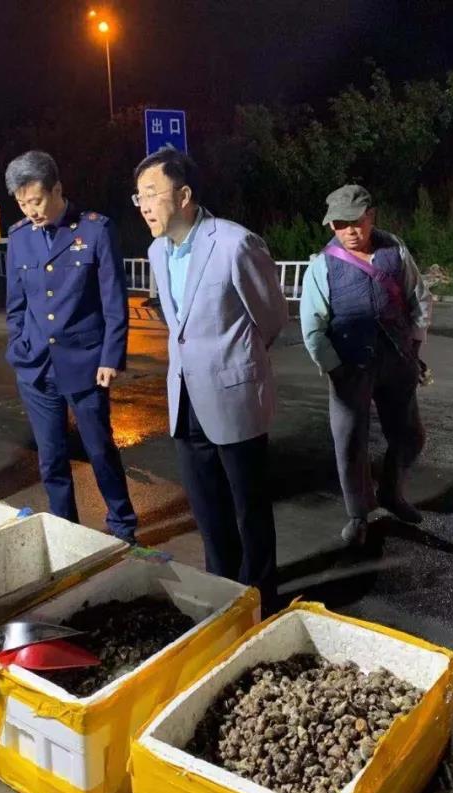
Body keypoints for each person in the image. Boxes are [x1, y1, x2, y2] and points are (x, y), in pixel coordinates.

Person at [135, 147, 288, 609]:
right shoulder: (157, 250)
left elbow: (272, 316)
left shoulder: (235, 243)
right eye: (138, 197)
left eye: (152, 194)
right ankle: (224, 595)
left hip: (234, 394)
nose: (144, 206)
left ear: (183, 196)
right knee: (207, 509)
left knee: (249, 508)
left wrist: (236, 363)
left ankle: (261, 599)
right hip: (185, 397)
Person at [3, 151, 138, 542]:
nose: (31, 211)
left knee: (100, 450)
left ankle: (122, 525)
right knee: (51, 458)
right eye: (22, 204)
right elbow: (15, 304)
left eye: (36, 201)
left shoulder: (95, 230)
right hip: (36, 366)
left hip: (86, 363)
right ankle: (67, 531)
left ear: (57, 189)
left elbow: (113, 300)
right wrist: (19, 347)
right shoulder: (19, 237)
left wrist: (111, 357)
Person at [299, 184, 432, 545]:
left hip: (397, 359)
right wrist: (333, 366)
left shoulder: (394, 249)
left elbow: (418, 297)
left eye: (356, 221)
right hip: (349, 364)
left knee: (410, 435)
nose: (350, 231)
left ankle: (391, 491)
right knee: (350, 441)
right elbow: (312, 325)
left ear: (371, 216)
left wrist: (414, 345)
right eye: (340, 224)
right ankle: (358, 513)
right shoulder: (322, 265)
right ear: (331, 225)